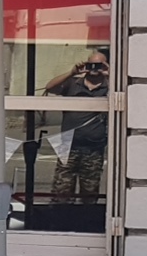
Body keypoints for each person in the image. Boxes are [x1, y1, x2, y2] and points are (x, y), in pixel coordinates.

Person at [43, 48, 110, 201]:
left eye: (99, 65)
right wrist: (71, 72)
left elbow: (124, 93)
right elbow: (49, 87)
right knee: (62, 191)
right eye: (91, 65)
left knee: (89, 192)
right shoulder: (74, 83)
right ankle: (61, 214)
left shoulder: (108, 86)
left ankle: (85, 216)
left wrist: (110, 74)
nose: (94, 69)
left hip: (93, 149)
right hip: (69, 147)